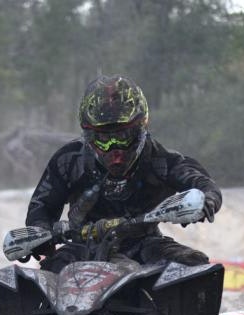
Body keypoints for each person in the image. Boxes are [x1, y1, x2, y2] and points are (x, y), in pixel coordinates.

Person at [25, 75, 222, 273]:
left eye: (123, 136)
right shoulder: (69, 160)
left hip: (145, 244)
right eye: (104, 139)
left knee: (194, 266)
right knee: (43, 277)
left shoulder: (161, 160)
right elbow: (41, 206)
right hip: (83, 246)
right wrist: (41, 235)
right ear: (89, 136)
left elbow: (204, 184)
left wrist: (206, 201)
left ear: (141, 129)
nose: (114, 148)